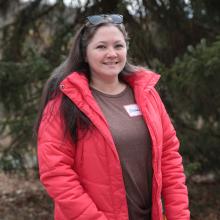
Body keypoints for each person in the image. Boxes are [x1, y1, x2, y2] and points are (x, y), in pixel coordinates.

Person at [35, 14, 190, 220]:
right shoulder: (65, 103)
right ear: (84, 54)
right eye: (101, 47)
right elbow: (56, 173)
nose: (112, 53)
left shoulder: (146, 94)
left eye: (118, 46)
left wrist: (178, 216)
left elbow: (170, 158)